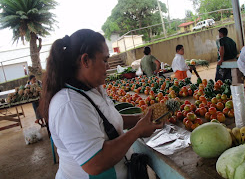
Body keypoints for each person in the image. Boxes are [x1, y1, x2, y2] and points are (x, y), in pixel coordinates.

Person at [38, 29, 163, 179]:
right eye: (105, 60)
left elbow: (109, 120)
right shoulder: (70, 105)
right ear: (85, 61)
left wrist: (142, 118)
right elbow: (95, 163)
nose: (108, 66)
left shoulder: (93, 89)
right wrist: (137, 131)